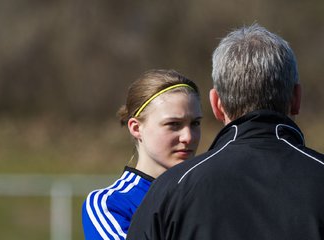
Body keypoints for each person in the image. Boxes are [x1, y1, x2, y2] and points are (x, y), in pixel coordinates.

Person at [127, 24, 324, 239]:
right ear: (296, 98)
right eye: (173, 124)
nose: (187, 137)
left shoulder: (171, 190)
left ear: (216, 104)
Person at [82, 69, 203, 239]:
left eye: (195, 123)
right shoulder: (111, 204)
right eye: (174, 124)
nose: (188, 137)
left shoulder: (209, 195)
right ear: (136, 128)